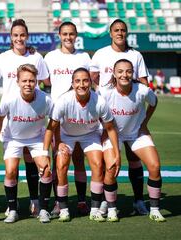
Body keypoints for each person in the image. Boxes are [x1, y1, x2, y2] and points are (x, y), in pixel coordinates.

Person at [42, 68, 120, 222]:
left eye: (85, 80)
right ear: (72, 83)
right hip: (66, 135)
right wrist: (54, 146)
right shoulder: (64, 100)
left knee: (97, 164)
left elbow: (110, 128)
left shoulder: (99, 101)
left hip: (90, 135)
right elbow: (51, 127)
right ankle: (64, 208)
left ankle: (95, 209)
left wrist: (117, 154)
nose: (82, 84)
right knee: (61, 164)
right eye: (77, 81)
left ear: (90, 82)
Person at [90, 18, 150, 215]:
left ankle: (139, 200)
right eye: (116, 30)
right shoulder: (101, 54)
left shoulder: (135, 55)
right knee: (109, 161)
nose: (120, 33)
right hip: (108, 118)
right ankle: (107, 201)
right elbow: (93, 77)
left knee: (134, 159)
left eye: (123, 30)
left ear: (126, 33)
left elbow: (143, 83)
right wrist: (101, 92)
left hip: (131, 118)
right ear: (110, 33)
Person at [0, 18, 50, 217]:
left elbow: (47, 81)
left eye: (22, 35)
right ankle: (12, 205)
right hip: (11, 122)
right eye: (15, 35)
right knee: (13, 168)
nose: (19, 38)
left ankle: (35, 202)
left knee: (32, 163)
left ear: (27, 37)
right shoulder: (2, 58)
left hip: (33, 118)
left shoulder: (36, 58)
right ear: (10, 37)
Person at [100, 59, 166, 222]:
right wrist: (102, 131)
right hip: (112, 134)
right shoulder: (105, 92)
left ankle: (155, 209)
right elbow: (98, 114)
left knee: (155, 166)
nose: (125, 74)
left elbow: (154, 102)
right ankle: (112, 208)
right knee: (111, 168)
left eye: (128, 71)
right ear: (114, 74)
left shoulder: (142, 90)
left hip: (136, 133)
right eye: (120, 71)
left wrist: (144, 123)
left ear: (133, 73)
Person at [44, 21, 91, 217]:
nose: (68, 37)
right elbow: (46, 81)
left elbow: (90, 82)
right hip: (58, 116)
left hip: (79, 116)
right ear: (59, 35)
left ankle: (81, 201)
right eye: (65, 34)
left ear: (76, 35)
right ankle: (59, 202)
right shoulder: (50, 57)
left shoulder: (84, 57)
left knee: (79, 159)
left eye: (71, 34)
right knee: (59, 160)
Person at [0, 64, 53, 223]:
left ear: (37, 82)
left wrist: (54, 143)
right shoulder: (9, 98)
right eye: (24, 81)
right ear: (18, 82)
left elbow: (54, 121)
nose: (28, 84)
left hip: (36, 138)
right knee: (10, 171)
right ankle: (13, 210)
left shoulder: (46, 99)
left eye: (32, 81)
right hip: (13, 138)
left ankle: (42, 209)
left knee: (46, 170)